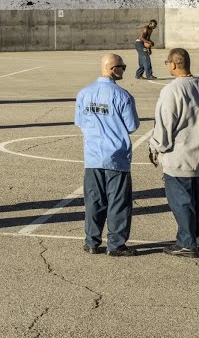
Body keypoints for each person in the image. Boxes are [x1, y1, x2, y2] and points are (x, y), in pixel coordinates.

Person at [148, 48, 199, 257]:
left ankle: (187, 242)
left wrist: (155, 148)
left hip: (180, 157)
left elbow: (163, 125)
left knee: (181, 201)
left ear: (172, 64)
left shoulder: (172, 90)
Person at [74, 53, 140, 257]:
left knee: (94, 201)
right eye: (122, 67)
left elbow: (80, 122)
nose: (124, 70)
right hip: (116, 157)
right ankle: (116, 244)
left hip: (93, 157)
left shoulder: (84, 93)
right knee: (118, 202)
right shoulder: (122, 96)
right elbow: (132, 125)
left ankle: (91, 241)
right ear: (113, 69)